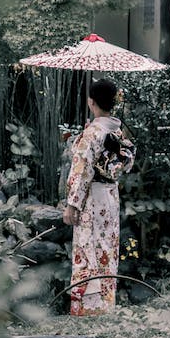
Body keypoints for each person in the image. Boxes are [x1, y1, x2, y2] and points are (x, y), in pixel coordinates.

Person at [63, 78, 135, 316]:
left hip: (91, 199)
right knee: (107, 248)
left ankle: (88, 309)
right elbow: (124, 164)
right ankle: (106, 304)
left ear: (90, 102)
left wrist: (72, 205)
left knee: (88, 248)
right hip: (110, 197)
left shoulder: (93, 132)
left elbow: (81, 170)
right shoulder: (117, 129)